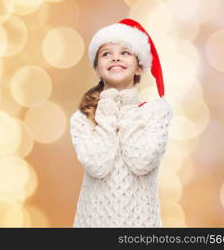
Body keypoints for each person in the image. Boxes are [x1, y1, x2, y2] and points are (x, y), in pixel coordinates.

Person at [69, 18, 174, 227]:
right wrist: (107, 108)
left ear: (138, 68)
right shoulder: (83, 118)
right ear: (97, 69)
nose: (115, 57)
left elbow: (141, 161)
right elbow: (98, 165)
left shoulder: (156, 113)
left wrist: (127, 106)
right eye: (106, 53)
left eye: (125, 52)